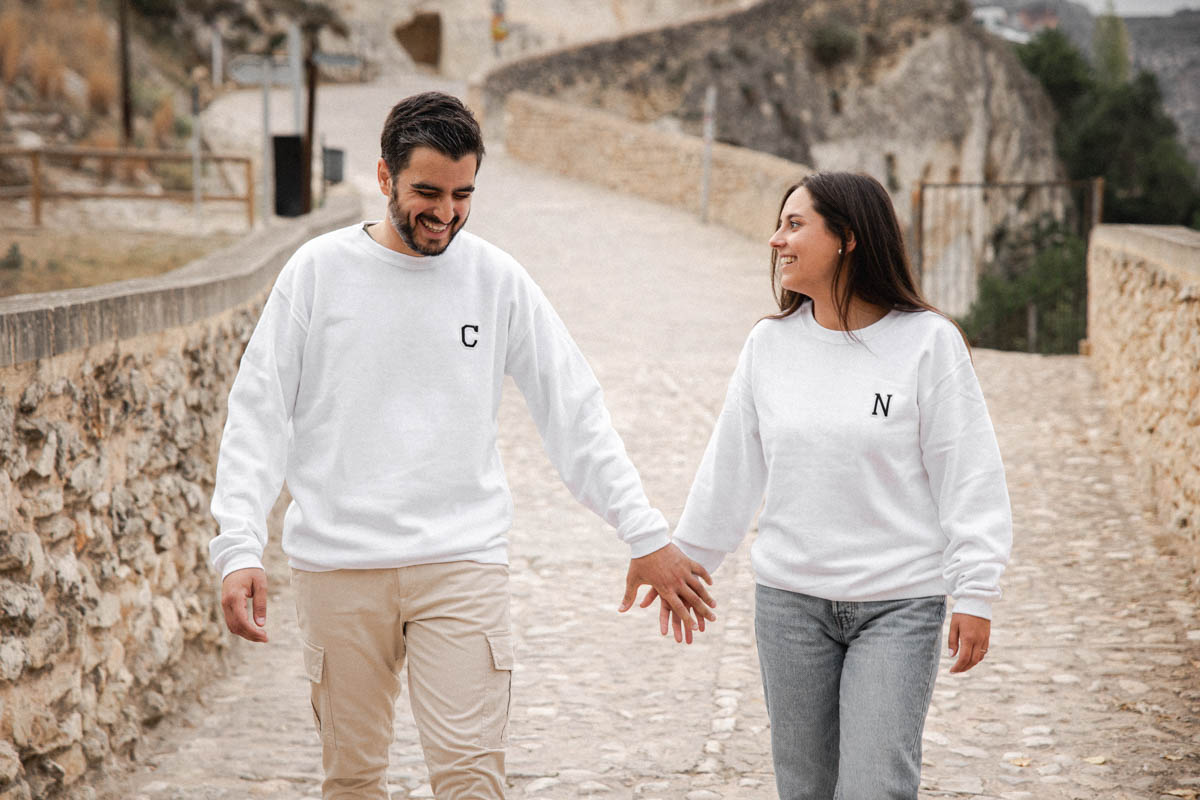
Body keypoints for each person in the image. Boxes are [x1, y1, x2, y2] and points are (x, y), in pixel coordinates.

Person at [208, 91, 715, 800]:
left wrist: (645, 533)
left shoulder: (496, 280)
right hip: (337, 566)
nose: (445, 213)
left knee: (472, 779)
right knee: (351, 779)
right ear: (384, 178)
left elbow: (574, 412)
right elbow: (258, 414)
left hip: (461, 563)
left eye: (462, 194)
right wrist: (237, 546)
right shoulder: (316, 274)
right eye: (426, 192)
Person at [649, 172, 1012, 798]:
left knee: (875, 786)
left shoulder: (928, 343)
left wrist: (975, 589)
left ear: (846, 238)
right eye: (779, 225)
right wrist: (689, 562)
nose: (775, 240)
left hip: (898, 605)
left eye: (795, 225)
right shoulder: (769, 345)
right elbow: (732, 465)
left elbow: (969, 473)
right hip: (789, 605)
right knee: (806, 787)